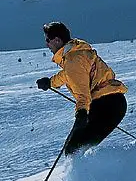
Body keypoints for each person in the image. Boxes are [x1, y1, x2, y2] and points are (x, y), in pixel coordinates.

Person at [36, 21, 128, 155]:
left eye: (48, 40)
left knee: (74, 150)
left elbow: (82, 93)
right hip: (109, 103)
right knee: (75, 149)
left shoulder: (73, 59)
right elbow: (68, 75)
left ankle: (113, 171)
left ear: (57, 40)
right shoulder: (75, 54)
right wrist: (50, 82)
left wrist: (81, 113)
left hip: (107, 105)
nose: (47, 44)